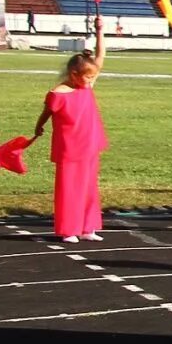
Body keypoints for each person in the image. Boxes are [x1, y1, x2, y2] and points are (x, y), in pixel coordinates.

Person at [31, 18, 108, 244]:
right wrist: (39, 125)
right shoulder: (58, 93)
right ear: (74, 74)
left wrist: (99, 31)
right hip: (69, 147)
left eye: (93, 76)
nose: (92, 80)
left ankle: (88, 227)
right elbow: (46, 112)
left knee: (89, 187)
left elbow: (101, 57)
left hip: (90, 144)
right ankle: (69, 229)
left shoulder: (87, 85)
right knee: (69, 188)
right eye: (88, 76)